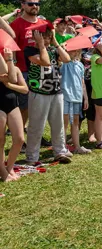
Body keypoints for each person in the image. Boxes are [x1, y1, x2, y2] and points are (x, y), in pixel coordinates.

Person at [25, 28, 72, 164]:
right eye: (42, 37)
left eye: (48, 37)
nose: (45, 40)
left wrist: (56, 43)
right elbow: (45, 61)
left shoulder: (53, 49)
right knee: (36, 125)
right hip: (38, 92)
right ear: (35, 37)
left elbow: (67, 59)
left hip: (56, 91)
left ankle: (60, 151)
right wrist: (40, 45)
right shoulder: (30, 50)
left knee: (58, 125)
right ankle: (32, 157)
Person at [10, 0, 46, 140]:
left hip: (42, 70)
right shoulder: (16, 25)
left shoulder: (44, 24)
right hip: (24, 70)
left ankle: (36, 135)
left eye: (37, 4)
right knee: (25, 107)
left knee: (40, 106)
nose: (34, 7)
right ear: (23, 5)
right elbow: (10, 48)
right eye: (31, 4)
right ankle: (21, 137)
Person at [0, 47, 28, 181]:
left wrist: (9, 85)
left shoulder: (15, 69)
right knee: (1, 141)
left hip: (12, 105)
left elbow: (24, 89)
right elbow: (9, 76)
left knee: (20, 139)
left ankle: (9, 167)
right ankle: (3, 173)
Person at [61, 47, 90, 154]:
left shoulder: (80, 65)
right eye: (73, 49)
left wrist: (85, 97)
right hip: (65, 95)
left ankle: (77, 146)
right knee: (64, 122)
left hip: (77, 96)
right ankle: (62, 147)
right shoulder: (63, 64)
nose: (76, 52)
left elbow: (82, 83)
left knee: (76, 122)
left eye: (78, 50)